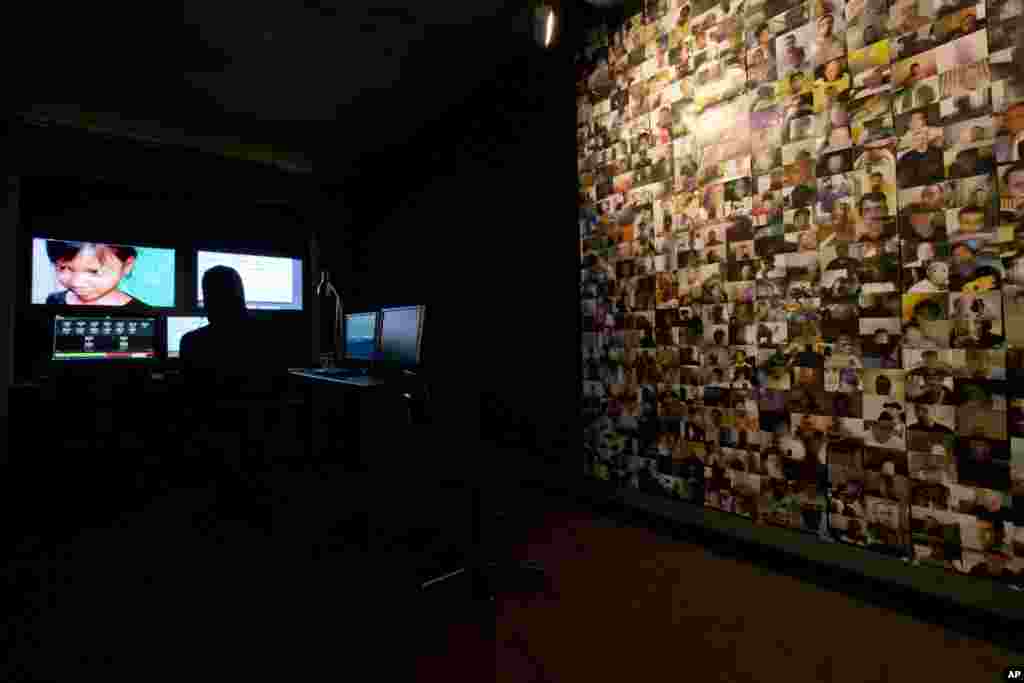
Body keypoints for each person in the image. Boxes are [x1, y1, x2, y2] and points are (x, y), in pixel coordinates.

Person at [42, 240, 152, 309]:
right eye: (64, 267)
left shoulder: (142, 311)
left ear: (127, 265)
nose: (76, 282)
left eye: (93, 271)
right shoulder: (53, 300)